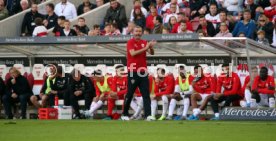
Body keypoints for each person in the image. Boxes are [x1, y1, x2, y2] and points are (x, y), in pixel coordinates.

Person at [121, 26, 156, 121]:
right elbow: (133, 53)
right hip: (133, 71)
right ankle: (124, 114)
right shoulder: (130, 42)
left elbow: (152, 53)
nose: (138, 33)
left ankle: (148, 115)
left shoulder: (144, 42)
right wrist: (146, 47)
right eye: (136, 31)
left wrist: (151, 48)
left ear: (142, 33)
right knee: (130, 93)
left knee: (146, 94)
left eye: (140, 31)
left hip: (143, 71)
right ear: (133, 32)